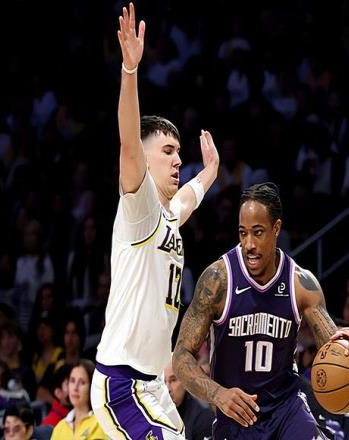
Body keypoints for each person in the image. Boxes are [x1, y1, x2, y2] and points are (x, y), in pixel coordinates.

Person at [90, 3, 219, 440]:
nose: (178, 159)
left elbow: (187, 200)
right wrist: (129, 70)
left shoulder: (166, 216)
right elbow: (129, 143)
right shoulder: (139, 206)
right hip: (120, 384)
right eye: (167, 151)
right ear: (145, 161)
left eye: (179, 152)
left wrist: (210, 173)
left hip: (153, 384)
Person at [173, 183, 349, 439]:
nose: (249, 244)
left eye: (258, 233)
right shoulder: (218, 280)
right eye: (243, 233)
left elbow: (331, 346)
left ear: (276, 228)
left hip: (286, 409)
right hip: (237, 415)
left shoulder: (300, 284)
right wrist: (218, 394)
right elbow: (181, 356)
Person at [52, 359, 107, 439]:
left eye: (82, 382)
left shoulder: (102, 423)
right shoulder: (59, 428)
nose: (75, 388)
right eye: (72, 381)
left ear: (91, 387)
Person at [164, 363, 215, 440]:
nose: (168, 389)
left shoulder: (203, 417)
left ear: (185, 382)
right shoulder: (157, 412)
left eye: (173, 380)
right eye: (164, 381)